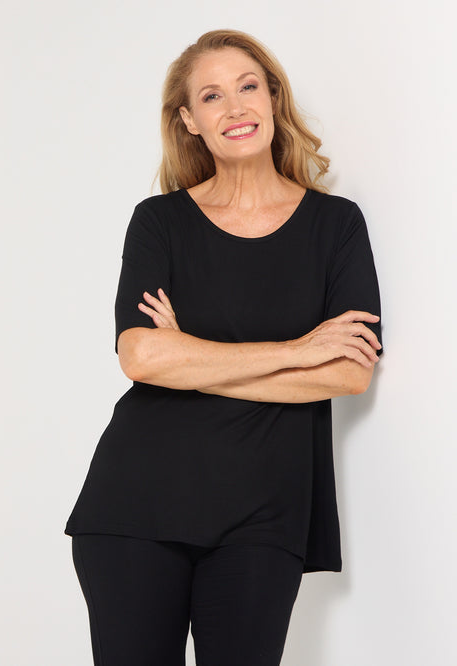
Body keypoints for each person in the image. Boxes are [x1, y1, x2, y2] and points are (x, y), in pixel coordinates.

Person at [65, 29, 383, 666]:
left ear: (273, 98)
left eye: (247, 86)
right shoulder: (159, 222)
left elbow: (349, 373)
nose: (235, 107)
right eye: (211, 96)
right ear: (190, 120)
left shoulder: (336, 225)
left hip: (265, 515)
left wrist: (189, 355)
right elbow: (141, 358)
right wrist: (298, 349)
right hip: (135, 505)